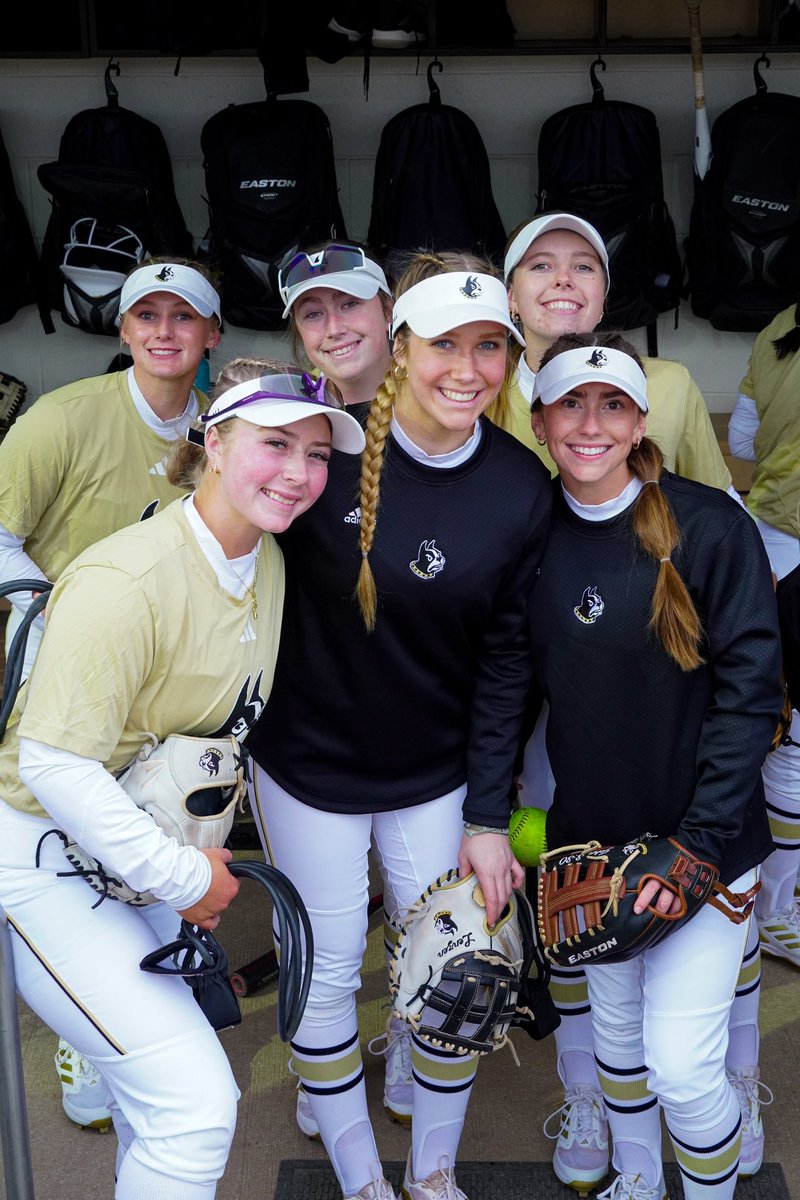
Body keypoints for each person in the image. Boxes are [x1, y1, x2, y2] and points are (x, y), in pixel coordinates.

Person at [0, 359, 365, 1200]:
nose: (300, 473)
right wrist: (180, 876)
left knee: (151, 1102)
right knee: (195, 1105)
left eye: (317, 455)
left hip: (145, 844)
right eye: (276, 444)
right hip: (53, 858)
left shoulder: (261, 557)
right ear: (213, 441)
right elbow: (54, 764)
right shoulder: (126, 577)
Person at [245, 253, 553, 1200]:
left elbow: (508, 666)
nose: (468, 369)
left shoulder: (520, 485)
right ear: (402, 346)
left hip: (436, 770)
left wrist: (491, 814)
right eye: (445, 346)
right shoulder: (318, 454)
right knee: (329, 971)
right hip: (308, 764)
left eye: (490, 347)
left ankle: (431, 1175)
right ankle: (359, 1180)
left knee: (458, 971)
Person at [501, 212, 741, 1191]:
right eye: (540, 267)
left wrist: (716, 828)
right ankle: (598, 1123)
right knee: (587, 950)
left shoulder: (674, 409)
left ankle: (721, 1104)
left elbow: (724, 591)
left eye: (582, 267)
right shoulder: (477, 386)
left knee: (680, 1007)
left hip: (657, 707)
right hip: (547, 724)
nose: (587, 425)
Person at [526, 331, 782, 1200]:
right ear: (539, 419)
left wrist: (700, 847)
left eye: (613, 404)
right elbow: (505, 685)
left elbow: (752, 698)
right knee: (620, 1048)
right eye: (571, 402)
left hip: (703, 853)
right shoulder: (537, 532)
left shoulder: (711, 525)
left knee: (680, 1068)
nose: (590, 423)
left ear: (642, 420)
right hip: (594, 850)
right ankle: (638, 1182)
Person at [0, 257, 224, 1131]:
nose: (164, 331)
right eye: (147, 316)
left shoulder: (223, 430)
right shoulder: (63, 418)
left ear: (211, 335)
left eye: (184, 318)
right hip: (70, 683)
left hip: (172, 695)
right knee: (69, 853)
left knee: (169, 852)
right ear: (124, 330)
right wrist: (53, 614)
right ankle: (81, 1026)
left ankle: (146, 1008)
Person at [281, 240, 394, 407]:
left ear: (388, 311)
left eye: (349, 304)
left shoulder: (436, 395)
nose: (334, 329)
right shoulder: (286, 408)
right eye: (313, 314)